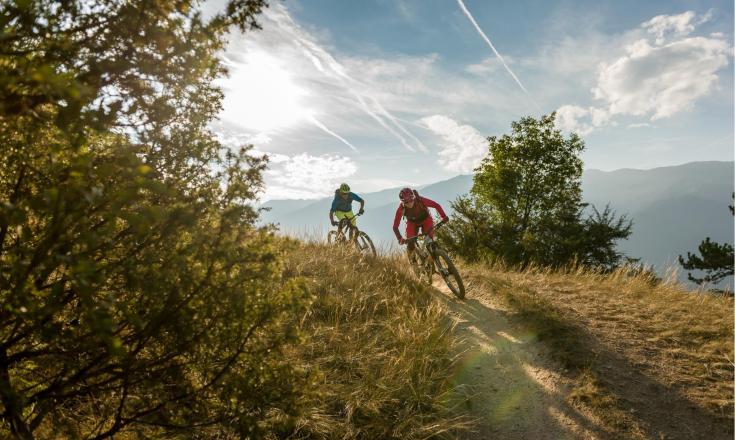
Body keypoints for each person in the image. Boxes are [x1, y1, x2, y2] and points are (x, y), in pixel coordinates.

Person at [393, 187, 448, 262]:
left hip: (426, 220)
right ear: (402, 202)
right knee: (410, 243)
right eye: (406, 201)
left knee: (430, 239)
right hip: (412, 223)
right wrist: (400, 238)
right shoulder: (401, 209)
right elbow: (395, 226)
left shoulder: (420, 200)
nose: (409, 203)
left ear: (413, 197)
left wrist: (444, 216)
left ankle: (433, 259)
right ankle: (413, 262)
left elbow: (436, 205)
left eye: (411, 199)